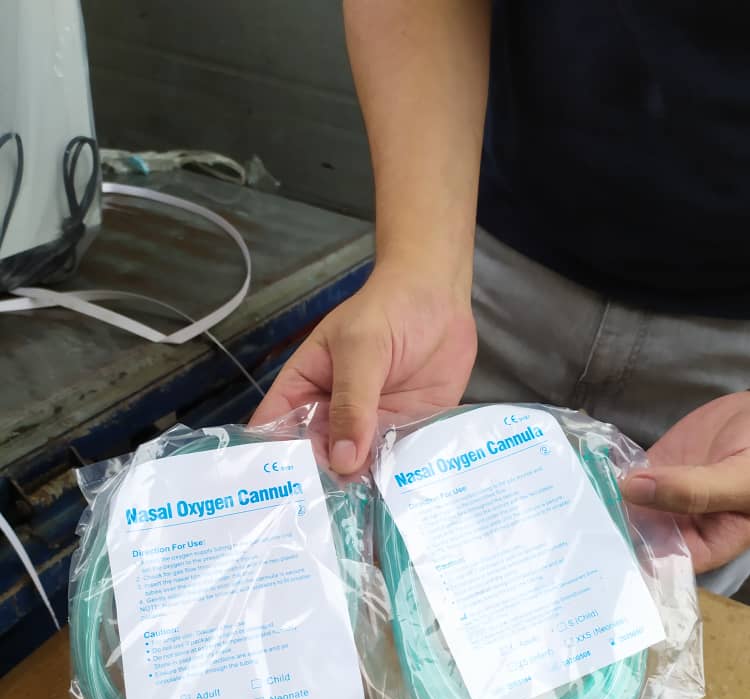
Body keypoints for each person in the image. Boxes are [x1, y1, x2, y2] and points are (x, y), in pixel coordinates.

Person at [253, 0, 750, 595]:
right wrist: (420, 272)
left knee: (659, 619)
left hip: (732, 371)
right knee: (371, 578)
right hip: (476, 264)